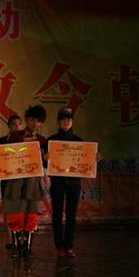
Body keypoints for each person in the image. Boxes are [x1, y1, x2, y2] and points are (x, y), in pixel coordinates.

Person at [45, 108, 96, 258]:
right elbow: (45, 163)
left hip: (74, 182)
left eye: (69, 119)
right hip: (57, 181)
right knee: (57, 213)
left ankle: (69, 246)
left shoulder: (79, 141)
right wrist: (45, 158)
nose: (66, 122)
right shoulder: (52, 140)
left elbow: (86, 161)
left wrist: (94, 157)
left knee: (71, 214)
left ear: (72, 122)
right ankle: (59, 246)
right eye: (63, 119)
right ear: (58, 122)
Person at [2, 105, 47, 258]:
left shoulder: (43, 141)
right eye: (32, 119)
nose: (35, 123)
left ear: (41, 123)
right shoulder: (14, 137)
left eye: (38, 121)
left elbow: (47, 163)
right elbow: (5, 156)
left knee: (32, 212)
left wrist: (45, 157)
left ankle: (27, 246)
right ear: (27, 120)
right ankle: (16, 245)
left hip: (33, 182)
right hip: (16, 180)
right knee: (16, 211)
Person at [0, 115, 22, 250]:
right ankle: (9, 238)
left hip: (22, 179)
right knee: (7, 208)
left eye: (19, 124)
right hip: (7, 179)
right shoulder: (2, 141)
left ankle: (20, 237)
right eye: (13, 124)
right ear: (9, 126)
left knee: (20, 208)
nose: (16, 127)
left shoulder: (26, 141)